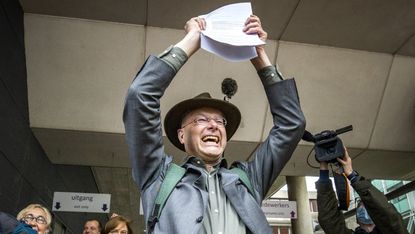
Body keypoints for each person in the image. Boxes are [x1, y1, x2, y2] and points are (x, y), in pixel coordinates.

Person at [123, 15, 305, 234]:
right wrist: (192, 40)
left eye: (220, 121)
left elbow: (292, 125)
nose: (214, 125)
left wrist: (259, 55)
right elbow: (140, 96)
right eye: (201, 120)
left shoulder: (249, 180)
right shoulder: (157, 177)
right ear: (182, 136)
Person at [316, 147, 408, 234]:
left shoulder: (397, 230)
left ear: (374, 212)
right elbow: (329, 220)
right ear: (357, 218)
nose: (363, 209)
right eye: (360, 205)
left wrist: (352, 175)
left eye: (366, 205)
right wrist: (323, 168)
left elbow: (387, 215)